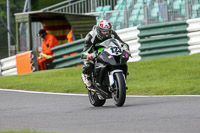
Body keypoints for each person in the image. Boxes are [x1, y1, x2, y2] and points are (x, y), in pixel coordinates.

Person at [81, 20, 130, 89]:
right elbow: (84, 53)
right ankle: (86, 76)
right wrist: (89, 55)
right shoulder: (91, 36)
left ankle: (120, 80)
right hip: (94, 52)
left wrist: (126, 50)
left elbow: (122, 43)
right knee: (89, 65)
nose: (106, 33)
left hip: (107, 51)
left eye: (107, 31)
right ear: (98, 30)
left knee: (121, 60)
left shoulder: (112, 33)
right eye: (103, 31)